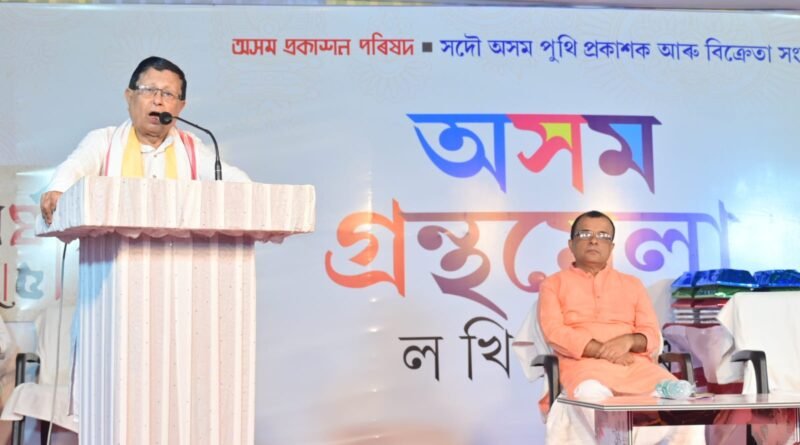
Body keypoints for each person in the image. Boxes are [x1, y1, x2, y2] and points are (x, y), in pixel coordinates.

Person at [537, 210, 703, 444]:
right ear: (571, 244)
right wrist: (602, 350)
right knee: (591, 395)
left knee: (687, 406)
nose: (594, 240)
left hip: (635, 366)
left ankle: (630, 437)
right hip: (584, 366)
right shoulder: (553, 284)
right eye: (585, 234)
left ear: (611, 247)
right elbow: (554, 332)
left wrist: (628, 341)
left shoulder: (632, 284)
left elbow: (650, 333)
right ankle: (628, 437)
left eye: (603, 235)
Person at [40, 56, 251, 225]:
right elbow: (75, 167)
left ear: (180, 107)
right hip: (114, 257)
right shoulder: (105, 140)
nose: (158, 101)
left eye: (168, 94)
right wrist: (59, 188)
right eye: (149, 90)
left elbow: (236, 182)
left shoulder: (190, 146)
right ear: (129, 96)